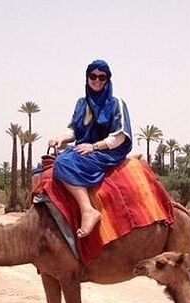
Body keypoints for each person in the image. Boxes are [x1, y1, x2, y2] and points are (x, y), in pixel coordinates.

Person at [48, 59, 132, 238]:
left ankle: (88, 210)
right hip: (85, 148)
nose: (97, 80)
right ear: (87, 78)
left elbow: (120, 135)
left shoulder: (116, 103)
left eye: (102, 77)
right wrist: (59, 138)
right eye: (93, 76)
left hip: (107, 151)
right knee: (41, 169)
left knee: (63, 163)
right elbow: (73, 130)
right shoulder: (81, 103)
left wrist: (94, 147)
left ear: (107, 80)